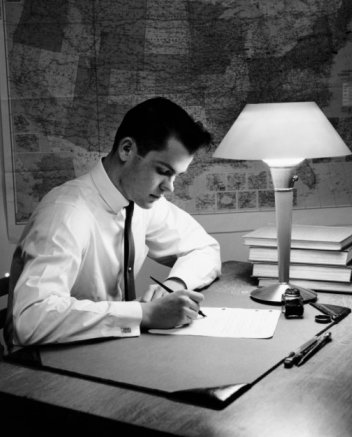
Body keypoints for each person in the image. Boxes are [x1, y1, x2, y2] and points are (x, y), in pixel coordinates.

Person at [4, 97, 221, 349]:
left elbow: (206, 249)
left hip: (106, 349)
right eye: (163, 171)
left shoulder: (139, 201)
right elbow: (30, 320)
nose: (170, 187)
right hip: (46, 365)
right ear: (127, 149)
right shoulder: (65, 213)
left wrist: (174, 285)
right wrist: (145, 314)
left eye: (176, 176)